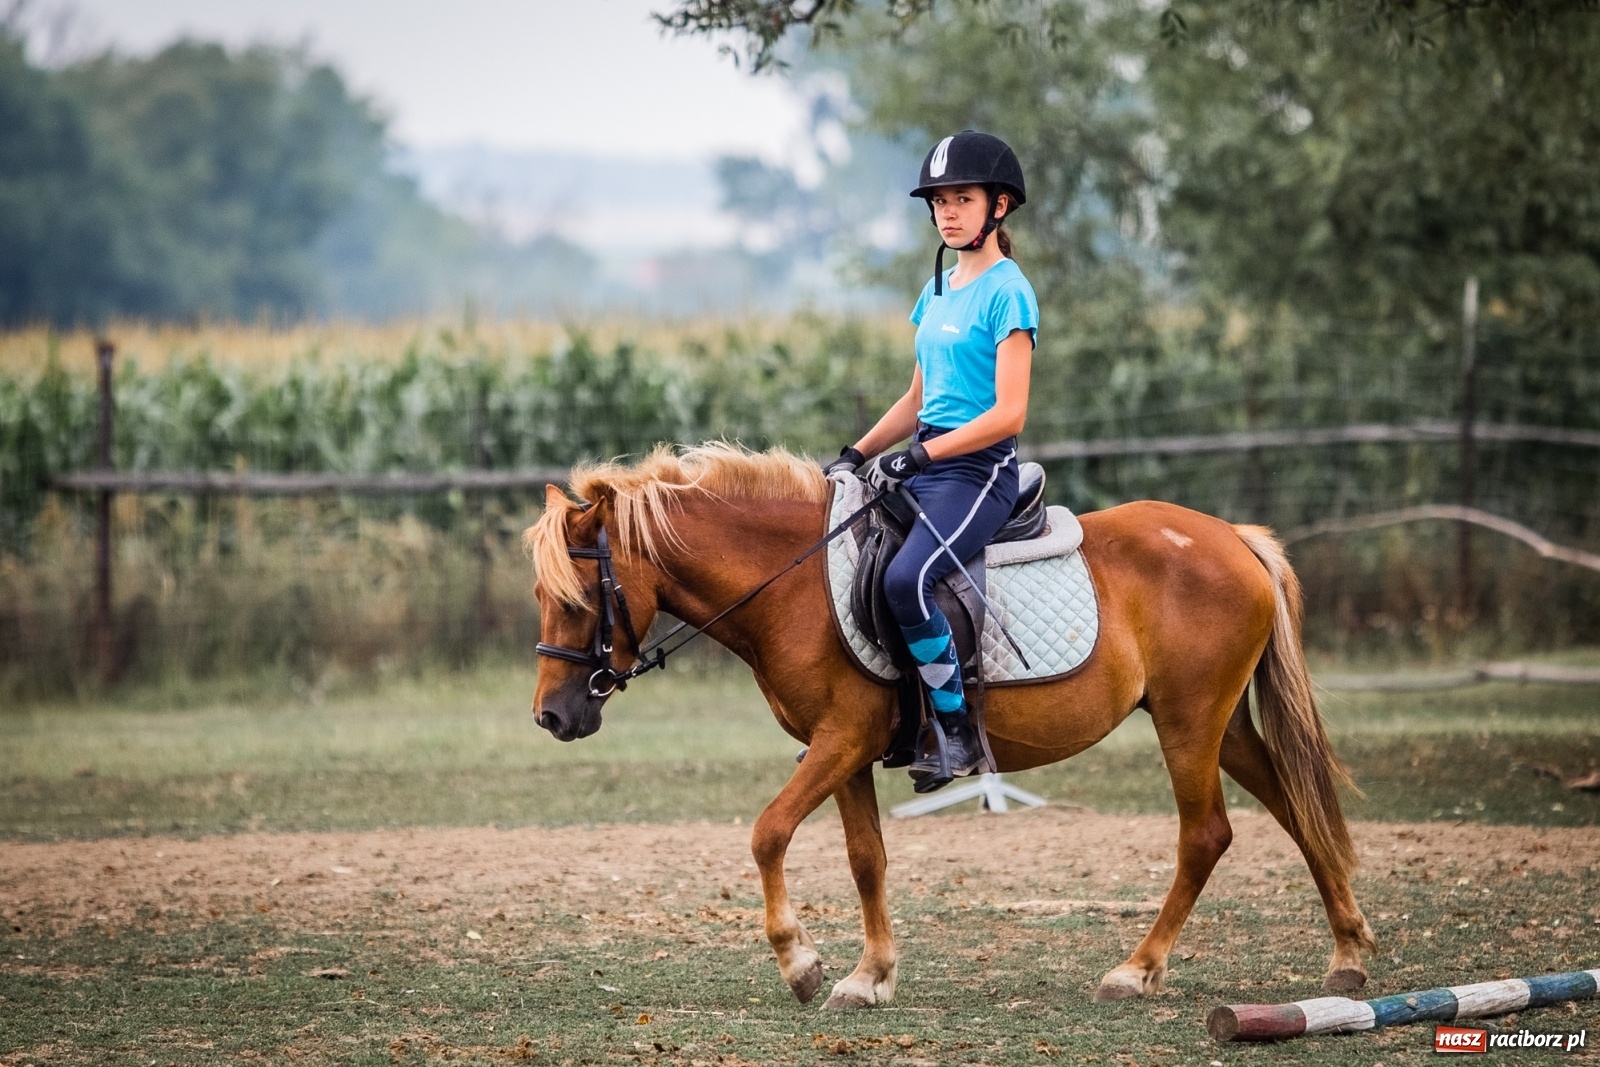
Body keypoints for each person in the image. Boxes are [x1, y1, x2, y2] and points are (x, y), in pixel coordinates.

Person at [823, 130, 1039, 790]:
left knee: (905, 579)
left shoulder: (1010, 291)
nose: (947, 212)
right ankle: (879, 721)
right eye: (939, 201)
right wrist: (858, 453)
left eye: (962, 199)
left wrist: (918, 456)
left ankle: (954, 732)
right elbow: (919, 397)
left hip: (979, 471)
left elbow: (1008, 414)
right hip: (928, 459)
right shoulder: (938, 287)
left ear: (998, 207)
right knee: (863, 565)